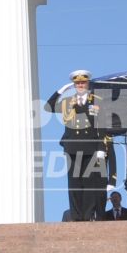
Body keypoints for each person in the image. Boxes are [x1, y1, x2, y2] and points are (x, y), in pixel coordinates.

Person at [47, 70, 113, 222]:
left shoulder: (96, 101)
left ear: (87, 83)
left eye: (83, 82)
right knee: (75, 184)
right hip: (72, 147)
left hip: (91, 147)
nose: (80, 85)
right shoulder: (67, 101)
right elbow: (48, 107)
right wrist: (60, 91)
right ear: (74, 85)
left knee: (89, 184)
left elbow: (101, 126)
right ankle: (76, 216)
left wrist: (101, 149)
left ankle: (87, 215)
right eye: (77, 83)